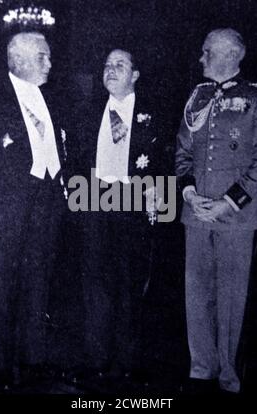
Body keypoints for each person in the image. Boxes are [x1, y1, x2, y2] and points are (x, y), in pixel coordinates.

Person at [175, 28, 257, 394]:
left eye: (206, 52)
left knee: (232, 297)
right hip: (196, 213)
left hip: (237, 216)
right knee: (196, 294)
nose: (200, 58)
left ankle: (229, 377)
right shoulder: (197, 96)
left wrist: (228, 201)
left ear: (229, 55)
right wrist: (188, 192)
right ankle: (201, 369)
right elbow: (182, 151)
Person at [0, 31, 68, 389]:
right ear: (22, 60)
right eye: (43, 56)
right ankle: (1, 367)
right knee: (1, 289)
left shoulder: (51, 98)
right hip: (3, 211)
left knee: (37, 285)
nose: (50, 63)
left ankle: (33, 360)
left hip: (46, 203)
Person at [68, 48, 164, 386]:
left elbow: (166, 160)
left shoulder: (154, 113)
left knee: (129, 283)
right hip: (94, 198)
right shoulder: (89, 110)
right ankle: (95, 359)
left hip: (135, 200)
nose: (110, 70)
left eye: (119, 65)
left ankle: (128, 361)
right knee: (94, 282)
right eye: (107, 65)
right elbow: (75, 158)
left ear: (135, 75)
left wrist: (156, 203)